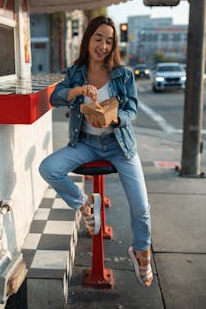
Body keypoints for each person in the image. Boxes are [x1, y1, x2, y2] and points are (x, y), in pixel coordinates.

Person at [39, 15, 153, 287]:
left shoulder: (122, 74)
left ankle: (141, 250)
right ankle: (84, 204)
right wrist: (79, 90)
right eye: (98, 38)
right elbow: (55, 98)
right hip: (86, 144)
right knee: (49, 168)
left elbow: (132, 109)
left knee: (141, 206)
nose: (103, 45)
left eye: (109, 40)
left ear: (114, 45)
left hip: (119, 146)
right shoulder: (76, 71)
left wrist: (114, 119)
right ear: (88, 39)